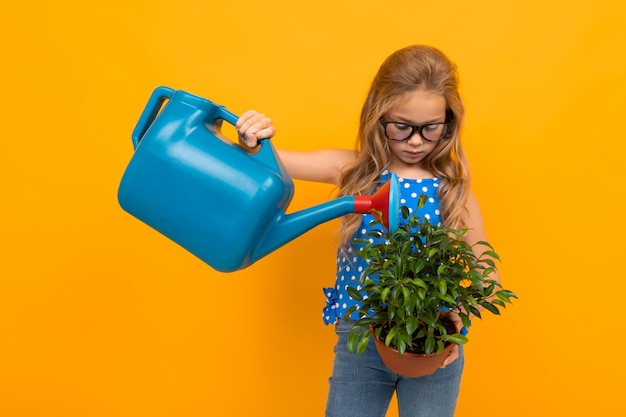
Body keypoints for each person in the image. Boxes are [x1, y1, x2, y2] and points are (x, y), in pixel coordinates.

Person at [234, 45, 501, 417]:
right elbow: (271, 161)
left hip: (431, 339)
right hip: (360, 339)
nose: (415, 141)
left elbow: (487, 270)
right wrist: (252, 138)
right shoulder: (354, 171)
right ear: (378, 117)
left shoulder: (451, 188)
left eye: (431, 129)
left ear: (449, 122)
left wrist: (456, 313)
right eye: (402, 126)